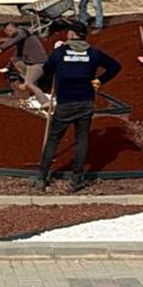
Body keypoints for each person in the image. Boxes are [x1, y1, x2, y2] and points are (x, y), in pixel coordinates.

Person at [32, 21, 122, 192]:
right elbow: (115, 66)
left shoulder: (60, 53)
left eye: (68, 33)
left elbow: (47, 69)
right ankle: (77, 179)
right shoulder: (93, 53)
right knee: (82, 139)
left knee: (53, 139)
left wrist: (58, 53)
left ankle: (42, 178)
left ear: (72, 34)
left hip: (65, 103)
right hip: (85, 102)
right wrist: (100, 80)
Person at [0, 22, 51, 108]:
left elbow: (16, 38)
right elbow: (16, 56)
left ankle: (45, 101)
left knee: (29, 83)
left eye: (8, 33)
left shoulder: (22, 32)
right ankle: (30, 87)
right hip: (30, 64)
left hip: (38, 63)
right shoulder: (21, 40)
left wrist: (0, 48)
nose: (9, 36)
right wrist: (7, 68)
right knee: (16, 61)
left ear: (10, 29)